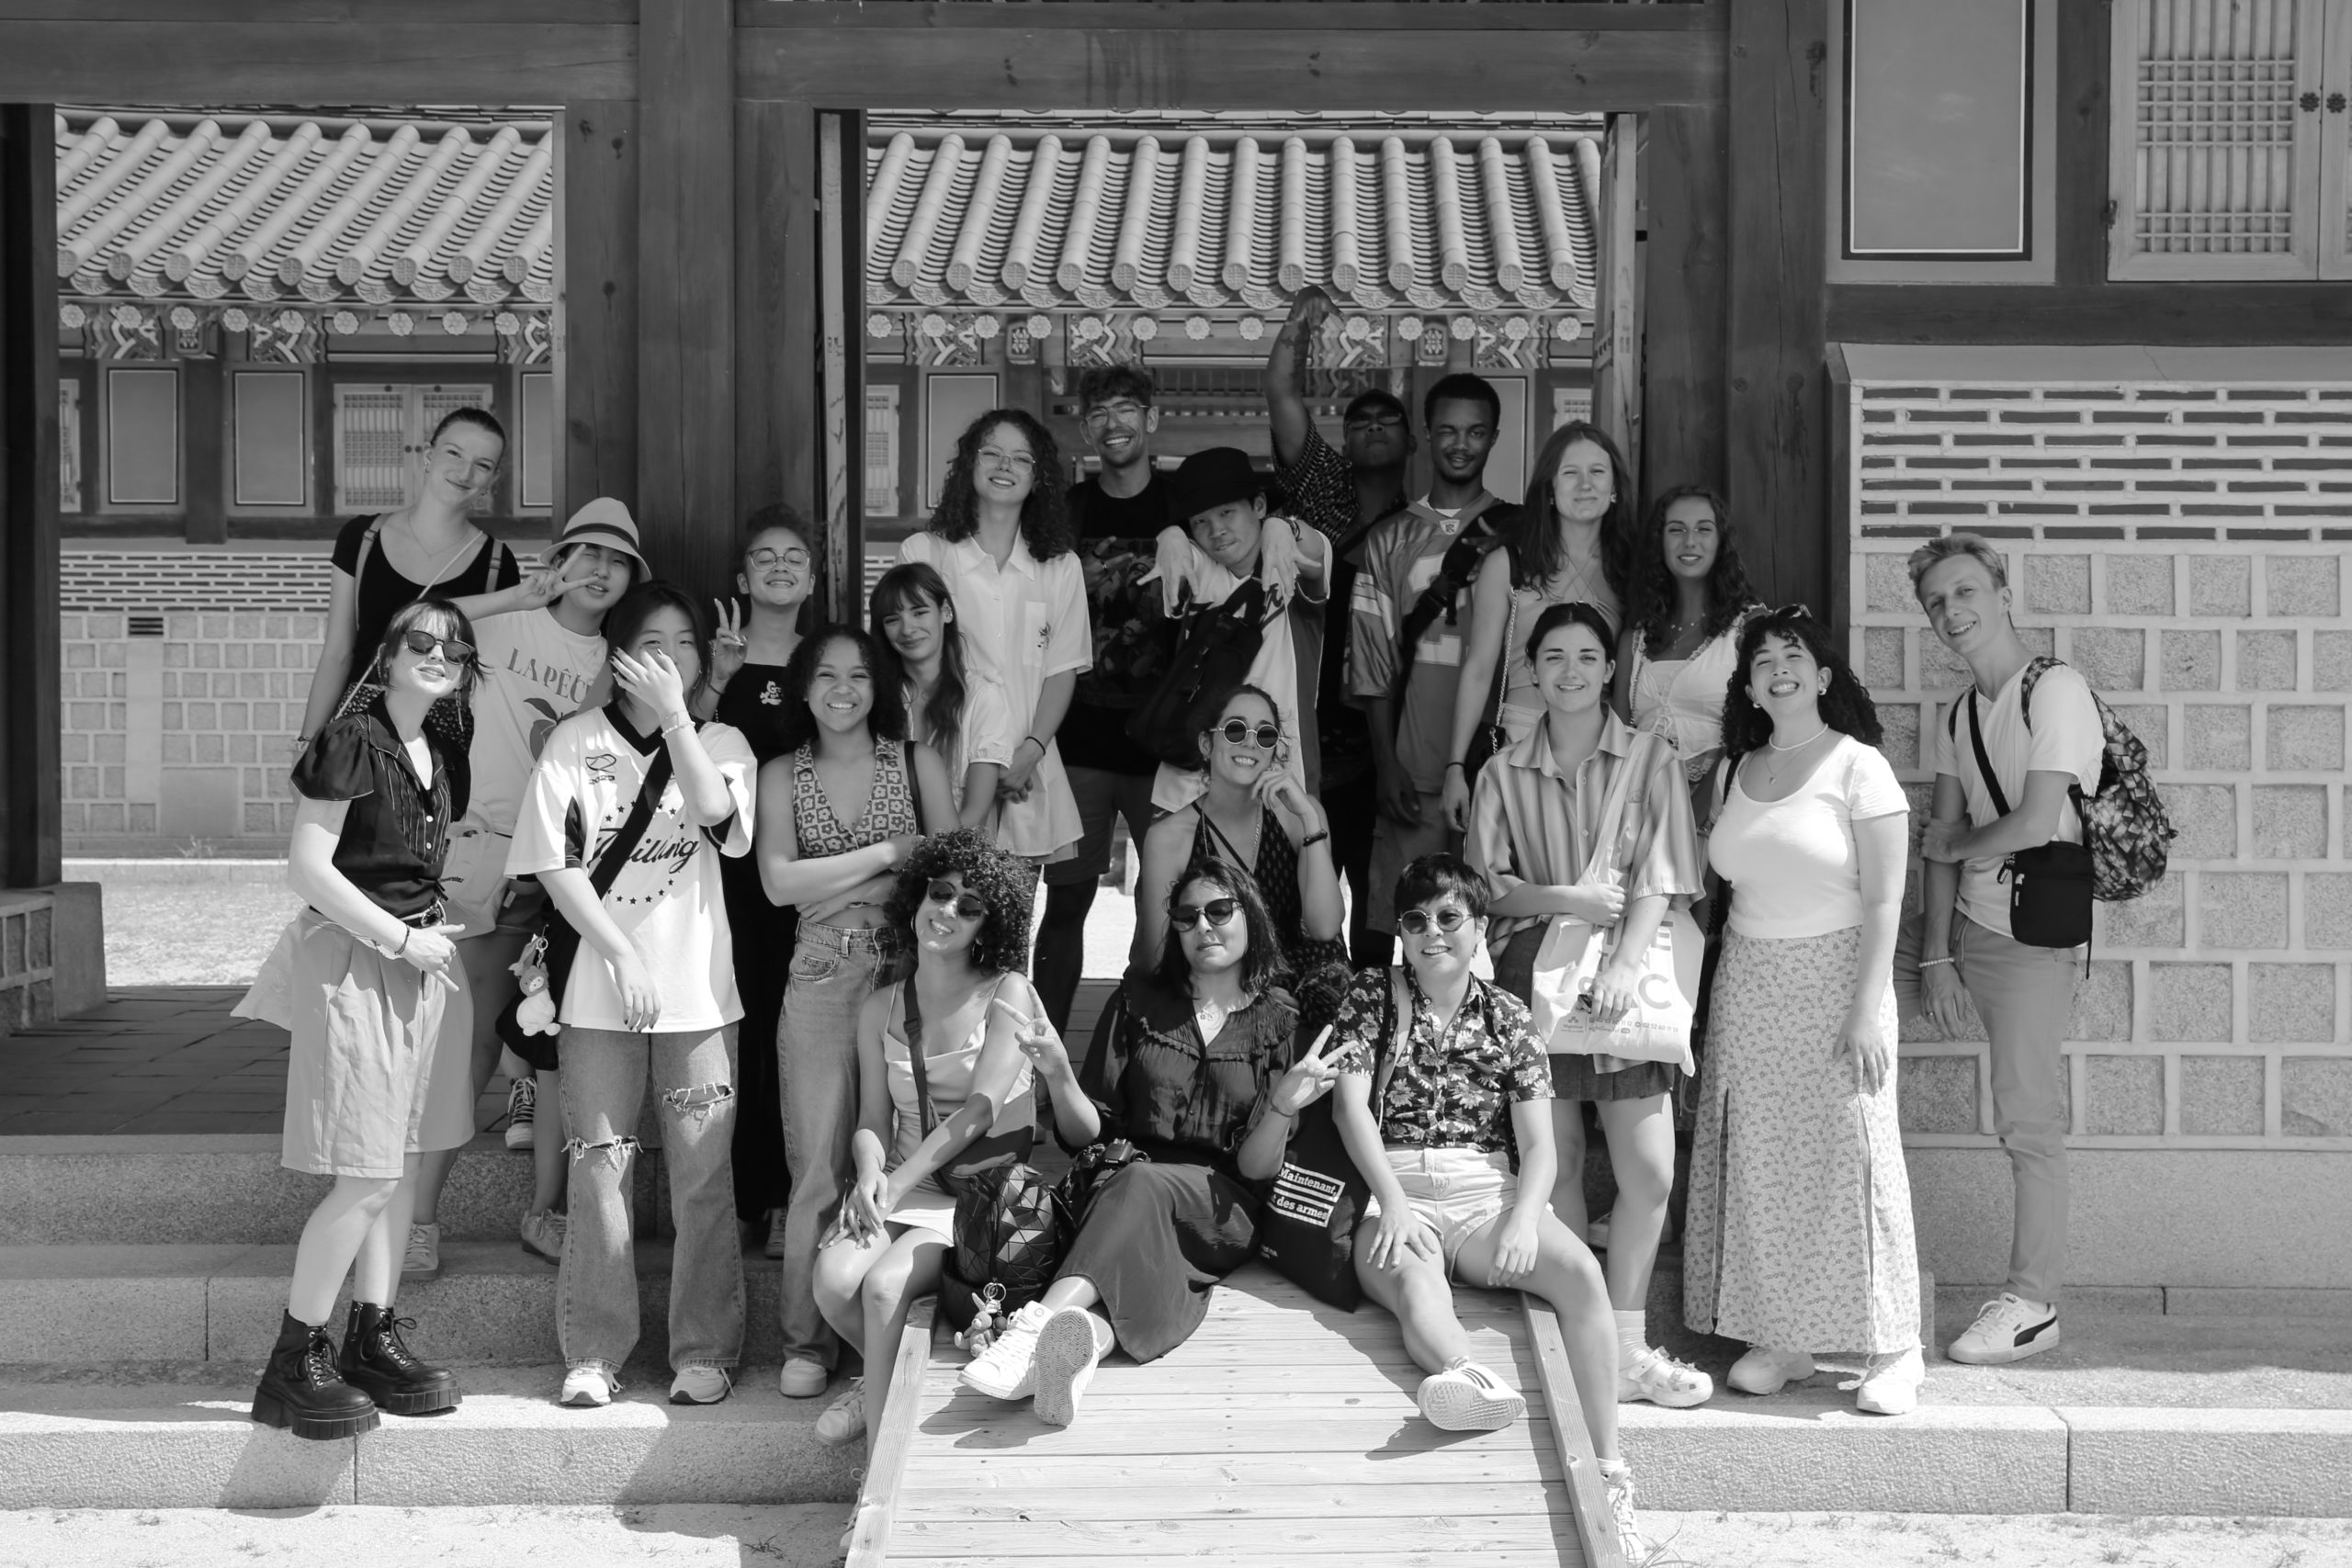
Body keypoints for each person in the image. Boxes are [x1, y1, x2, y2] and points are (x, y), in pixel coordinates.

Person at [1326, 853, 1653, 1562]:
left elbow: (1540, 1148)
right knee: (1416, 1283)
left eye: (1449, 917)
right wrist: (1392, 1202)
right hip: (1395, 1183)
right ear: (1401, 932)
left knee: (1582, 1276)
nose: (1431, 933)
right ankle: (1469, 1377)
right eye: (1416, 920)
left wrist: (1528, 1218)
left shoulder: (1509, 1015)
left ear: (1479, 927)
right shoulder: (1370, 995)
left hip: (1485, 1189)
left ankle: (1608, 1470)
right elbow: (1351, 1111)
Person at [959, 857, 1335, 1427]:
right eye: (1187, 917)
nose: (1203, 926)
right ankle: (1081, 1346)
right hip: (1120, 1187)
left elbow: (1258, 1170)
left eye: (1219, 911)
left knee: (1142, 1182)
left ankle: (1033, 1328)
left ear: (1250, 916)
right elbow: (1084, 1135)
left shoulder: (1282, 1022)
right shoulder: (1136, 1002)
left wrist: (1283, 1106)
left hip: (1221, 1206)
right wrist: (1057, 1074)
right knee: (1138, 1211)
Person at [505, 581, 756, 1409]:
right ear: (619, 655)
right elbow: (555, 864)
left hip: (700, 999)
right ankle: (593, 1350)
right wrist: (620, 954)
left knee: (703, 1178)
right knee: (598, 1171)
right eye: (653, 642)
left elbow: (718, 815)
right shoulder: (575, 741)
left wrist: (679, 716)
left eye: (685, 644)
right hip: (593, 996)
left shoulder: (722, 740)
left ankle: (705, 1349)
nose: (669, 659)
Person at [235, 599, 479, 1439]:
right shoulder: (351, 737)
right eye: (422, 640)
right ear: (387, 652)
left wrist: (423, 941)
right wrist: (400, 938)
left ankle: (371, 1336)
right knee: (368, 1173)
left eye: (455, 647)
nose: (439, 654)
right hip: (358, 959)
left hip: (425, 963)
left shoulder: (445, 747)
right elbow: (307, 866)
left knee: (403, 1165)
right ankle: (292, 1361)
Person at [1466, 602, 1714, 1411]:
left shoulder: (1651, 757)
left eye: (1585, 656)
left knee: (1649, 1168)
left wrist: (1626, 963)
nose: (1569, 671)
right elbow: (1486, 888)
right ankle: (1592, 1340)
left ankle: (1627, 1337)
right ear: (1532, 670)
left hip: (1626, 979)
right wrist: (1568, 896)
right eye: (1553, 656)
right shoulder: (1501, 771)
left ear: (1611, 669)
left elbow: (1666, 873)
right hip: (1533, 978)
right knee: (1560, 1160)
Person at [1684, 607, 1924, 1415]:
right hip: (1749, 979)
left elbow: (1886, 899)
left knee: (1857, 1153)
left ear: (1822, 676)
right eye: (1763, 660)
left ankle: (1897, 1346)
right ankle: (1780, 1336)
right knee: (1759, 1157)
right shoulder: (1734, 770)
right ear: (1749, 686)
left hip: (1839, 979)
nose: (1778, 669)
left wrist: (1865, 1009)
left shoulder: (1860, 766)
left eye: (1793, 656)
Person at [1897, 533, 2102, 1367]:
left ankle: (2033, 1302)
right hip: (1964, 930)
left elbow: (2034, 822)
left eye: (1965, 591)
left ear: (2003, 593)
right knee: (1848, 1039)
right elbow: (1938, 841)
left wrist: (1955, 845)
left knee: (2026, 1117)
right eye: (1936, 602)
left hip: (2031, 939)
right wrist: (1935, 955)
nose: (1951, 611)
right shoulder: (1958, 713)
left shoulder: (2056, 691)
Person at [426, 498, 646, 1277]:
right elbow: (418, 626)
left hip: (567, 871)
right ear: (558, 559)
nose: (601, 571)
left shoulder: (621, 660)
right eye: (588, 553)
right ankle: (419, 1219)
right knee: (469, 1043)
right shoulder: (504, 624)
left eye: (618, 561)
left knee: (557, 1046)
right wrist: (516, 595)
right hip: (483, 854)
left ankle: (545, 1212)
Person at [757, 627, 961, 1400]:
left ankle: (899, 1309)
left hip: (911, 966)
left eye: (858, 675)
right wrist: (885, 856)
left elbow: (948, 869)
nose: (842, 689)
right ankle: (806, 1341)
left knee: (904, 1140)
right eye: (826, 675)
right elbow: (779, 884)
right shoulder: (782, 771)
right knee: (817, 1160)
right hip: (820, 968)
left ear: (880, 686)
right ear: (803, 686)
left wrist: (842, 882)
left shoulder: (917, 761)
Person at [809, 829, 1041, 1453]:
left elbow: (980, 1111)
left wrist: (893, 1184)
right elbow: (871, 1117)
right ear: (916, 897)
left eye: (971, 906)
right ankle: (881, 1380)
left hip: (971, 1195)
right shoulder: (880, 1005)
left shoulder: (1008, 990)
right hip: (901, 1181)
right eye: (941, 893)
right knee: (832, 1278)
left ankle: (879, 1467)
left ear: (988, 924)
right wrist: (868, 1175)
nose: (948, 911)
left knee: (883, 1287)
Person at [1265, 287, 1414, 970]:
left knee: (1382, 896)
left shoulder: (1425, 520)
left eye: (1389, 420)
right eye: (1361, 422)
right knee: (1307, 888)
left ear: (1411, 440)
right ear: (1345, 441)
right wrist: (1299, 327)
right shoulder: (1322, 488)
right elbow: (1282, 394)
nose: (1374, 428)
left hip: (1390, 734)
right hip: (1308, 727)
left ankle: (1375, 1013)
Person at [1350, 371, 1525, 944]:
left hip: (1501, 760)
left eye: (1475, 432)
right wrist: (1386, 764)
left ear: (1493, 437)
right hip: (1415, 762)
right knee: (1412, 927)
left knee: (1499, 925)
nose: (1460, 444)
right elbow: (1371, 662)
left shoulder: (1520, 532)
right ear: (1426, 435)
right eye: (1448, 430)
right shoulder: (1389, 539)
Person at [1035, 366, 1179, 1033]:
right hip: (1080, 743)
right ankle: (1042, 1056)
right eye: (1099, 413)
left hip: (1166, 748)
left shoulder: (1182, 505)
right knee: (1067, 903)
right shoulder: (1068, 512)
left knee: (1172, 905)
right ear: (1085, 428)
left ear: (1151, 418)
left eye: (1126, 409)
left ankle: (1152, 1051)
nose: (1113, 424)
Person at [899, 409, 1086, 873]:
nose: (1005, 466)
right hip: (941, 759)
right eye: (992, 454)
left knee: (1012, 914)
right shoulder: (926, 553)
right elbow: (903, 660)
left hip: (1024, 772)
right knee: (937, 902)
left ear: (1038, 477)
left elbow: (1062, 669)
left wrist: (1029, 753)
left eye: (1021, 459)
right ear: (970, 463)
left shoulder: (1061, 567)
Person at [706, 506, 820, 1258]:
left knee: (793, 1035)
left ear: (811, 579)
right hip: (721, 881)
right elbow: (677, 747)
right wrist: (717, 679)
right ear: (743, 579)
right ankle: (738, 1200)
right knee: (734, 1033)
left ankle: (784, 1199)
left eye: (793, 558)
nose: (779, 567)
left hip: (806, 878)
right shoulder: (718, 659)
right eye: (763, 558)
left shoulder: (828, 662)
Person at [1441, 421, 1637, 832]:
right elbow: (1479, 669)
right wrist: (1455, 766)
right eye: (1570, 472)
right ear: (1549, 488)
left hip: (1600, 751)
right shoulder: (1509, 564)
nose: (1585, 484)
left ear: (1615, 487)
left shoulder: (1631, 570)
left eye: (1597, 472)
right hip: (1521, 739)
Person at [295, 407, 525, 752]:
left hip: (443, 737)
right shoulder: (362, 537)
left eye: (482, 465)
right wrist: (306, 744)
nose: (465, 472)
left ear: (493, 479)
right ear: (429, 456)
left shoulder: (497, 563)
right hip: (359, 729)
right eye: (454, 453)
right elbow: (338, 653)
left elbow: (488, 674)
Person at [1132, 683, 1350, 1029]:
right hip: (1211, 976)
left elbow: (1325, 928)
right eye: (1235, 730)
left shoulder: (1300, 816)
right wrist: (1249, 993)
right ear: (1207, 744)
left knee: (1334, 988)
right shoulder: (1170, 836)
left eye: (1265, 735)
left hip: (1300, 977)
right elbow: (1158, 957)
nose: (1250, 743)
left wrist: (1310, 819)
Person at [1144, 446, 1333, 809]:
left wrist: (1283, 526)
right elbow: (1180, 560)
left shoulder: (1294, 563)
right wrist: (1169, 536)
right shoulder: (1200, 566)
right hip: (1190, 784)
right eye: (1200, 521)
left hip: (1281, 781)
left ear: (1259, 506)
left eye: (1227, 512)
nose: (1216, 530)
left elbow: (1313, 549)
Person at [1613, 485, 1762, 808]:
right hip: (1643, 810)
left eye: (1703, 529)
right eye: (1676, 529)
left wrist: (1693, 816)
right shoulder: (1634, 641)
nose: (1690, 541)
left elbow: (1758, 733)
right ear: (1659, 542)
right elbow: (1617, 743)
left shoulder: (1749, 628)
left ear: (1721, 542)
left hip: (1722, 809)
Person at [872, 561, 1017, 833]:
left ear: (946, 612)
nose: (907, 629)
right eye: (893, 619)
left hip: (954, 852)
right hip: (884, 849)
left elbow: (975, 813)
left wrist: (925, 853)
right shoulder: (874, 696)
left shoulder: (982, 698)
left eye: (919, 612)